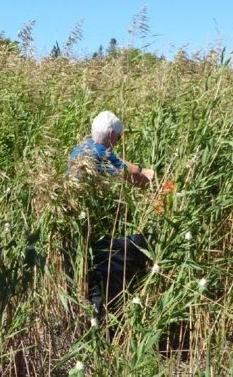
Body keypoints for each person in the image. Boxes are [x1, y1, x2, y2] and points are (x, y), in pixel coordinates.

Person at [66, 110, 155, 320]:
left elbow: (115, 160)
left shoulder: (82, 150)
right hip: (94, 238)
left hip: (78, 230)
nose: (118, 142)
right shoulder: (100, 155)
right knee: (142, 242)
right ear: (112, 134)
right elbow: (133, 175)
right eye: (119, 138)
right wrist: (151, 176)